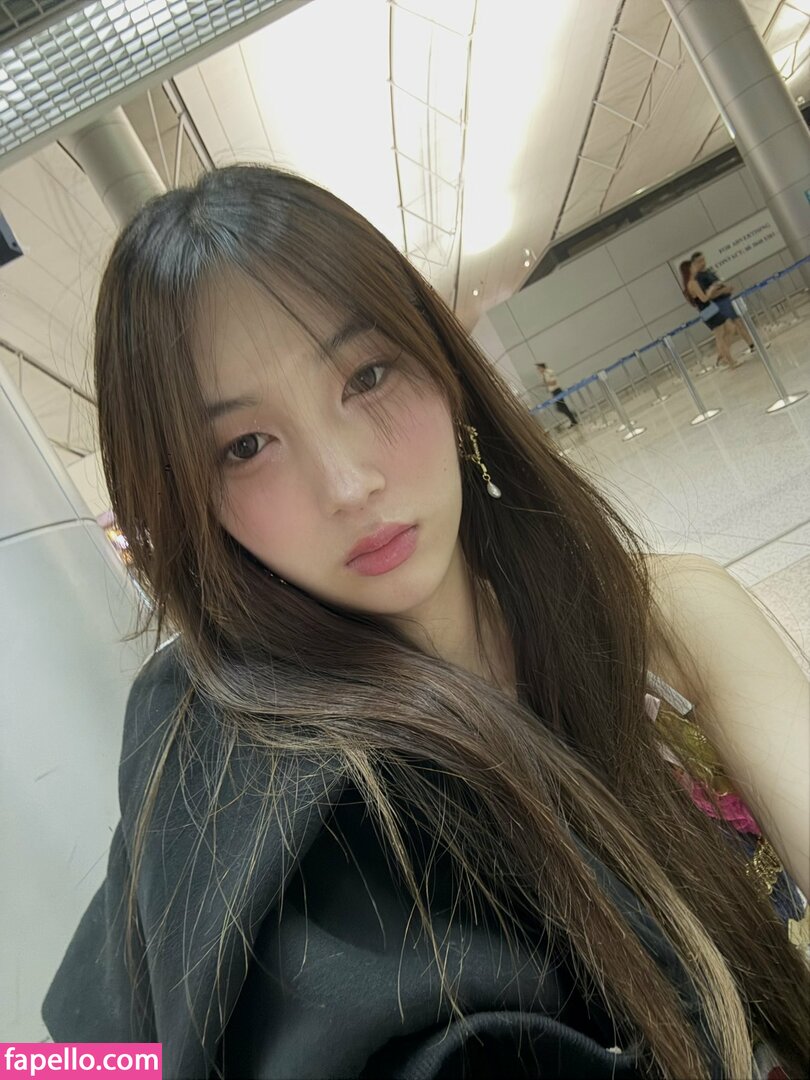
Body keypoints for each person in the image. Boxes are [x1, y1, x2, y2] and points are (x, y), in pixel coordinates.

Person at [42, 166, 809, 1080]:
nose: (347, 483)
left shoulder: (666, 627)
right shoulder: (233, 785)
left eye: (366, 376)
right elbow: (73, 1058)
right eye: (245, 447)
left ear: (444, 370)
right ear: (190, 500)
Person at [691, 252, 756, 355]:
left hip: (725, 300)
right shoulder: (699, 279)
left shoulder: (709, 272)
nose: (703, 263)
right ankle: (746, 347)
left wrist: (725, 289)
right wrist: (723, 291)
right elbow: (708, 296)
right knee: (732, 327)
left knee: (735, 325)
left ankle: (748, 345)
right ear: (695, 264)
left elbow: (718, 285)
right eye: (699, 261)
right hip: (719, 303)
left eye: (703, 260)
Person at [679, 259, 738, 369]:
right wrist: (711, 289)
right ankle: (729, 361)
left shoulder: (688, 285)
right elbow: (704, 298)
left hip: (707, 309)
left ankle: (723, 355)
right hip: (708, 309)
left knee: (730, 328)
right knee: (720, 336)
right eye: (692, 266)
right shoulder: (692, 283)